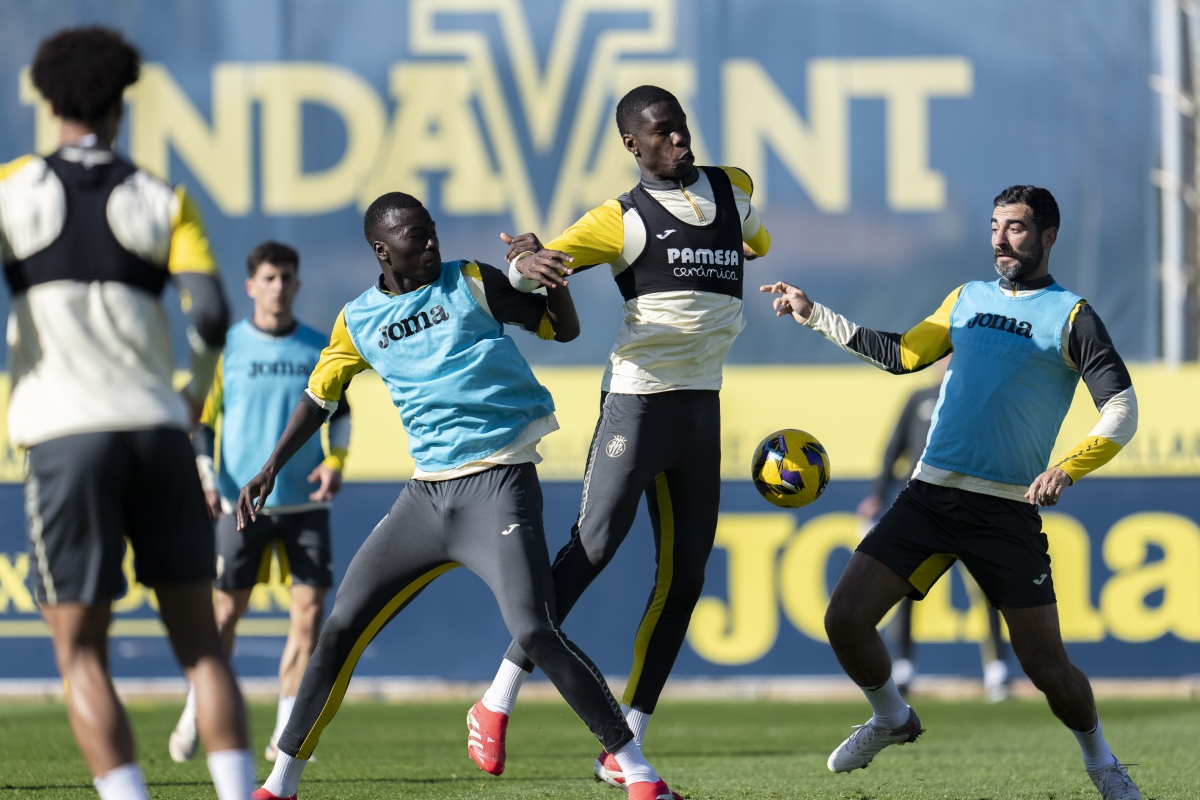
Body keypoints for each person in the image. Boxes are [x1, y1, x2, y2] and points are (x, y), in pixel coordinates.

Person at [245, 192, 682, 800]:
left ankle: (638, 772)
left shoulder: (472, 281)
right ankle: (280, 784)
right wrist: (270, 466)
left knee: (534, 629)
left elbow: (564, 329)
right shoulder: (358, 320)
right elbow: (319, 398)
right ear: (382, 249)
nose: (431, 243)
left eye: (432, 231)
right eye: (415, 237)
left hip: (498, 484)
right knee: (340, 628)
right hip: (425, 499)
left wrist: (547, 272)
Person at [762, 186, 1141, 800]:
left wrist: (1067, 468)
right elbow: (904, 354)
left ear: (1048, 237)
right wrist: (814, 313)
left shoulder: (1073, 315)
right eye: (994, 226)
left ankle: (1101, 759)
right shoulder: (966, 298)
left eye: (1016, 228)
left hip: (1006, 511)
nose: (999, 239)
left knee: (1048, 670)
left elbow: (1120, 410)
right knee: (845, 620)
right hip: (930, 496)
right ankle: (891, 716)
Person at [470, 84, 771, 787]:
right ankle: (495, 699)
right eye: (663, 134)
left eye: (684, 128)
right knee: (596, 546)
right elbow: (537, 262)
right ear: (633, 145)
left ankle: (625, 740)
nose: (681, 141)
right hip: (638, 405)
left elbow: (755, 236)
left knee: (687, 576)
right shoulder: (620, 218)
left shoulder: (734, 191)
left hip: (703, 405)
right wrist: (526, 263)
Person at [0, 27, 254, 800]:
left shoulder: (10, 189)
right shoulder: (163, 198)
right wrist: (194, 387)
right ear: (120, 106)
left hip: (62, 434)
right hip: (156, 430)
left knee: (82, 655)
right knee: (202, 648)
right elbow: (210, 314)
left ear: (47, 104)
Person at [169, 242, 352, 763]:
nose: (278, 286)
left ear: (296, 284)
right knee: (223, 617)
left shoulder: (320, 347)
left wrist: (335, 461)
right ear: (251, 286)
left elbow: (338, 414)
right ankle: (194, 709)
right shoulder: (227, 349)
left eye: (286, 277)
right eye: (268, 278)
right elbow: (200, 421)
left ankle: (284, 734)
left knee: (309, 615)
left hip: (304, 505)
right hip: (240, 504)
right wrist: (207, 476)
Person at [856, 356, 1011, 702]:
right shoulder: (919, 398)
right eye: (944, 355)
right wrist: (876, 495)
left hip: (971, 509)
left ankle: (997, 670)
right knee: (905, 587)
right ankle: (904, 667)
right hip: (921, 509)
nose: (949, 361)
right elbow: (893, 450)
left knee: (988, 591)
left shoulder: (979, 397)